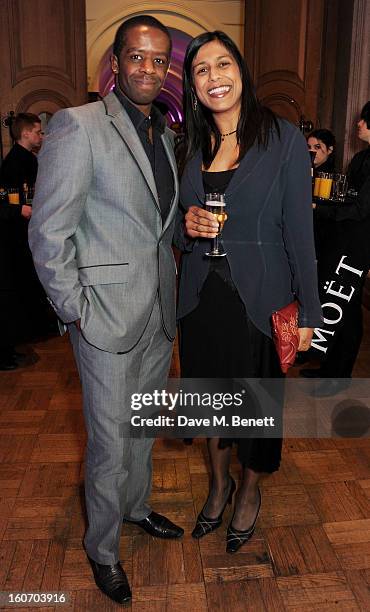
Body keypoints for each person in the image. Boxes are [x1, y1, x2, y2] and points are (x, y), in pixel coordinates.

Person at [29, 15, 183, 605]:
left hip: (157, 316)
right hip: (104, 319)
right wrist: (76, 310)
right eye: (137, 57)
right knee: (109, 443)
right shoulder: (78, 125)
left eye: (159, 59)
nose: (149, 68)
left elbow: (153, 228)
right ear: (115, 63)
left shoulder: (165, 136)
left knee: (142, 429)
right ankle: (102, 549)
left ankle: (137, 508)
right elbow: (48, 234)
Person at [174, 30, 322, 554]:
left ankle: (249, 492)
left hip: (260, 299)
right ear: (193, 85)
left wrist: (310, 312)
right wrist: (185, 226)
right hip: (200, 300)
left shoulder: (280, 139)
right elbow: (171, 226)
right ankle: (218, 487)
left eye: (223, 64)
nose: (214, 77)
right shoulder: (189, 144)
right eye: (201, 70)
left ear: (241, 70)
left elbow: (299, 236)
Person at [300, 102, 370, 392]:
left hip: (358, 243)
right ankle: (331, 369)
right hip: (349, 239)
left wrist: (320, 209)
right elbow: (349, 198)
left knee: (341, 306)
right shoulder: (363, 158)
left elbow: (361, 208)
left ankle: (338, 376)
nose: (358, 124)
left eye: (364, 120)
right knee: (346, 307)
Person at [0, 112, 43, 191]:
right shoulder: (14, 161)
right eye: (38, 132)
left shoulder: (28, 156)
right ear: (25, 134)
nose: (41, 136)